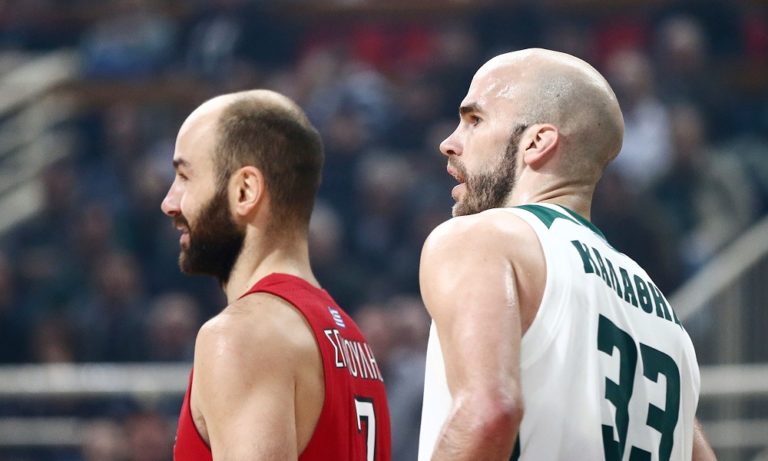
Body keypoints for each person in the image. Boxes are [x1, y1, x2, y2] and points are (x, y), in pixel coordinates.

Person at [417, 49, 717, 461]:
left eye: (475, 120)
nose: (448, 143)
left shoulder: (484, 239)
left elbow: (489, 412)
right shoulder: (665, 318)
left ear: (537, 143)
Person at [161, 89, 391, 460]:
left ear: (245, 191)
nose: (169, 202)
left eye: (185, 177)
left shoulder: (242, 336)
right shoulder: (351, 339)